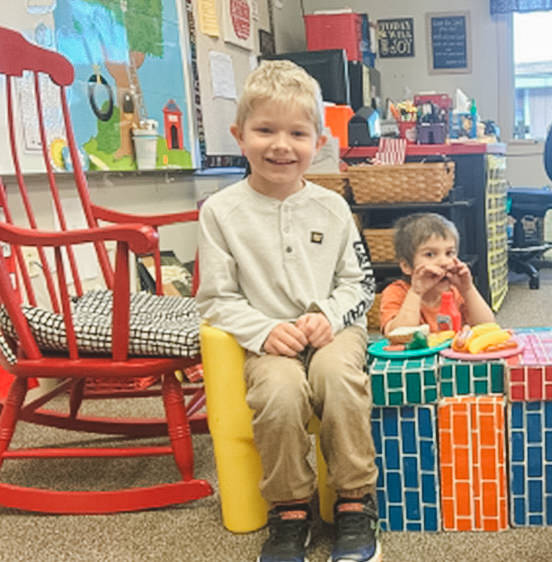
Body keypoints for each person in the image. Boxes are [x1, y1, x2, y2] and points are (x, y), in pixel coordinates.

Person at [196, 60, 381, 562]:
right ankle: (289, 509)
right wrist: (263, 330)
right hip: (266, 337)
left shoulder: (334, 207)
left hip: (334, 331)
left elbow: (361, 283)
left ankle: (353, 500)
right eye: (265, 130)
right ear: (239, 136)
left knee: (339, 383)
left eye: (297, 132)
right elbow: (214, 298)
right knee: (278, 394)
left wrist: (328, 314)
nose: (281, 145)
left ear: (318, 139)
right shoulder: (219, 212)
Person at [378, 213, 495, 335]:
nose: (444, 262)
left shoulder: (456, 291)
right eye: (430, 254)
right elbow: (397, 335)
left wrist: (468, 290)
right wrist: (416, 293)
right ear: (406, 266)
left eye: (449, 253)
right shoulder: (396, 292)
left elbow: (488, 327)